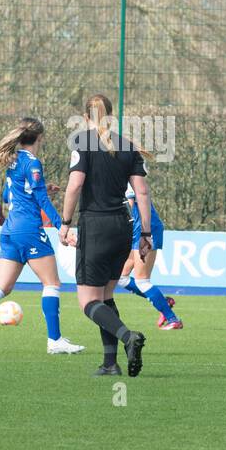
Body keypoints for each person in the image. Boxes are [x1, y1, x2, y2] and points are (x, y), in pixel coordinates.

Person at [0, 117, 83, 356]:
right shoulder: (32, 162)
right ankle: (54, 340)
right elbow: (40, 200)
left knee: (2, 286)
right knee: (52, 284)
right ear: (39, 138)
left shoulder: (12, 161)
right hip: (29, 230)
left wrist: (42, 188)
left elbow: (7, 195)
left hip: (10, 230)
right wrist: (62, 226)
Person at [59, 94, 150, 377]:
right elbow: (142, 192)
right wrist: (145, 233)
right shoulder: (128, 146)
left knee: (88, 301)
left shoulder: (82, 142)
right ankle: (110, 364)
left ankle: (128, 337)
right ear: (111, 115)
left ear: (86, 118)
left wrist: (64, 222)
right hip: (123, 226)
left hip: (95, 226)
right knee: (106, 296)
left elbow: (75, 185)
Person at [118, 183, 182, 329]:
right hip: (137, 230)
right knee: (121, 277)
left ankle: (173, 319)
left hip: (145, 230)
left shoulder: (126, 177)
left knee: (142, 281)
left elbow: (130, 204)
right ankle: (163, 303)